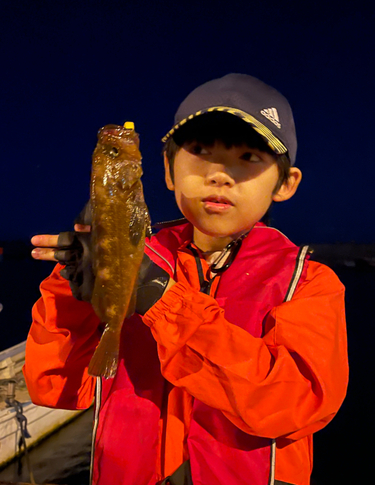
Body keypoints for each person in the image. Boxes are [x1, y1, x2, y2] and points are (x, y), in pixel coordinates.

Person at [24, 73, 348, 485]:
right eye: (198, 151)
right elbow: (53, 387)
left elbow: (295, 404)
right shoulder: (139, 259)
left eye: (248, 157)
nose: (218, 174)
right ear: (168, 170)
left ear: (285, 183)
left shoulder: (308, 283)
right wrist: (73, 294)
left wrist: (162, 300)